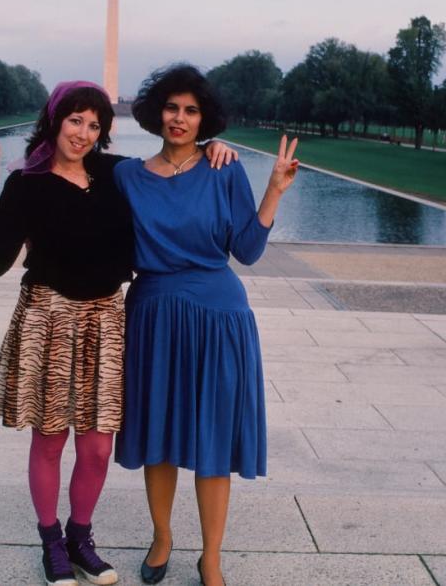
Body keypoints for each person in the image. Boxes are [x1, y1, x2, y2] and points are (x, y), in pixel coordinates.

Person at [0, 80, 237, 586]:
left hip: (107, 320)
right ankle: (52, 544)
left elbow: (170, 169)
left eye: (94, 125)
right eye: (75, 120)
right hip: (49, 317)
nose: (84, 133)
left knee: (95, 446)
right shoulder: (27, 182)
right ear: (54, 121)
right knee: (50, 440)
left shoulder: (114, 174)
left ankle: (80, 538)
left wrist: (212, 147)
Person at [112, 65, 299, 586]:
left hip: (219, 317)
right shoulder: (127, 175)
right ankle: (162, 536)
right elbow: (71, 165)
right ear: (156, 113)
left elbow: (248, 250)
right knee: (159, 433)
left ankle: (211, 556)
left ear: (204, 118)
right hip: (152, 315)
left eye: (191, 110)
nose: (180, 118)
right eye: (172, 108)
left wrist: (275, 190)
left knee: (212, 440)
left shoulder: (224, 168)